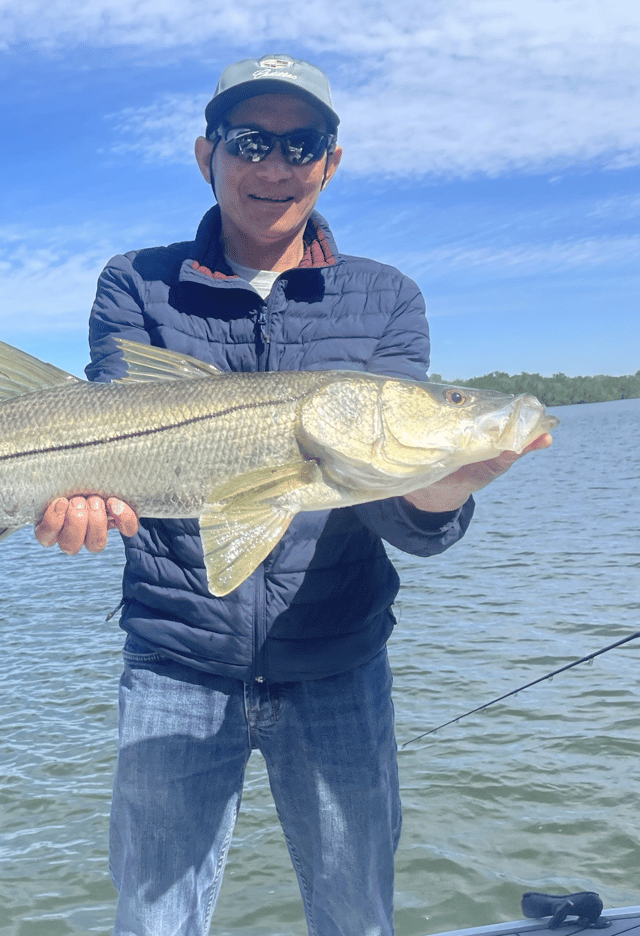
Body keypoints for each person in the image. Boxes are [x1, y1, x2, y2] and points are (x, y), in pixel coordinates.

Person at [35, 54, 551, 936]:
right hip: (176, 657)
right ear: (208, 155)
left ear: (331, 161)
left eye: (300, 144)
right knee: (154, 921)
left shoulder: (385, 299)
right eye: (250, 142)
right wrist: (74, 504)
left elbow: (397, 511)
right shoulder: (136, 282)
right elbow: (105, 447)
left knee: (357, 917)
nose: (274, 167)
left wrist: (441, 488)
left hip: (340, 660)